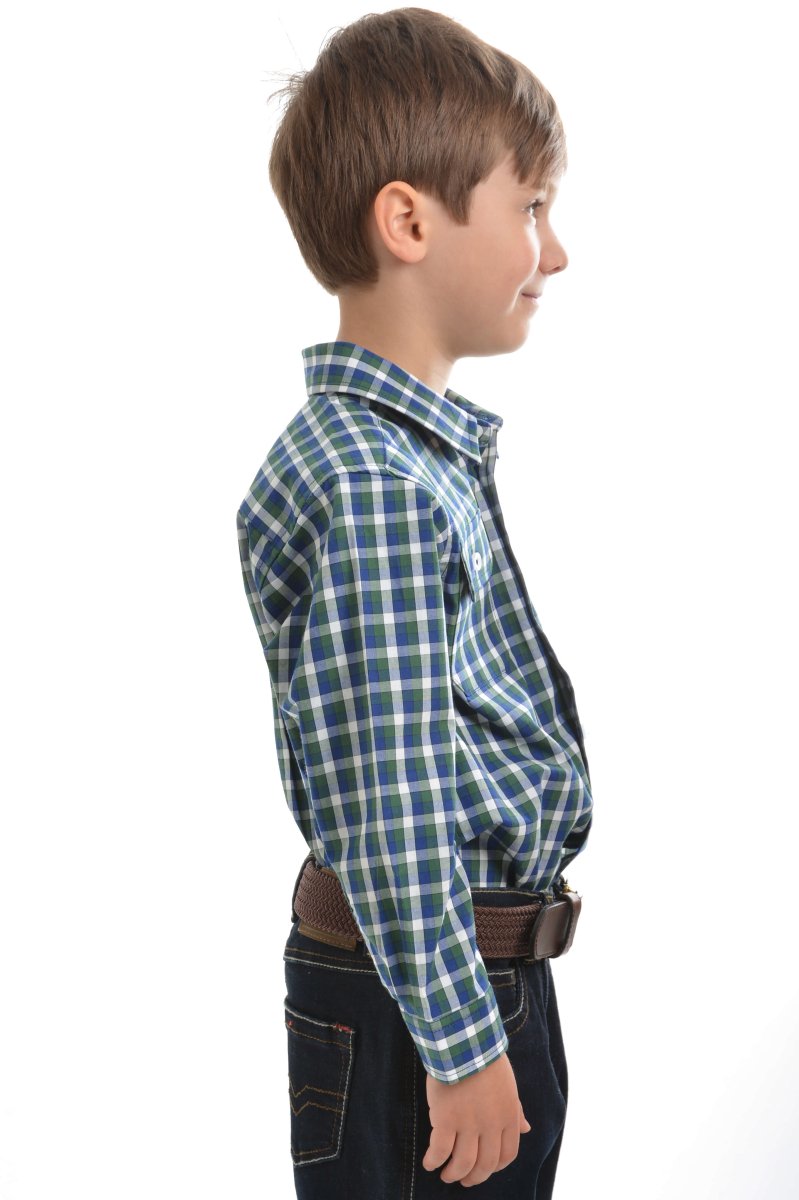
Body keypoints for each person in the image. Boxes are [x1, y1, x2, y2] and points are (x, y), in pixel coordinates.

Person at [236, 8, 594, 1197]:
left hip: (431, 976)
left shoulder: (390, 462)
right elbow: (389, 796)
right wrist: (462, 1042)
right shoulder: (378, 486)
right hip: (432, 996)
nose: (552, 253)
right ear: (408, 223)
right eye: (529, 207)